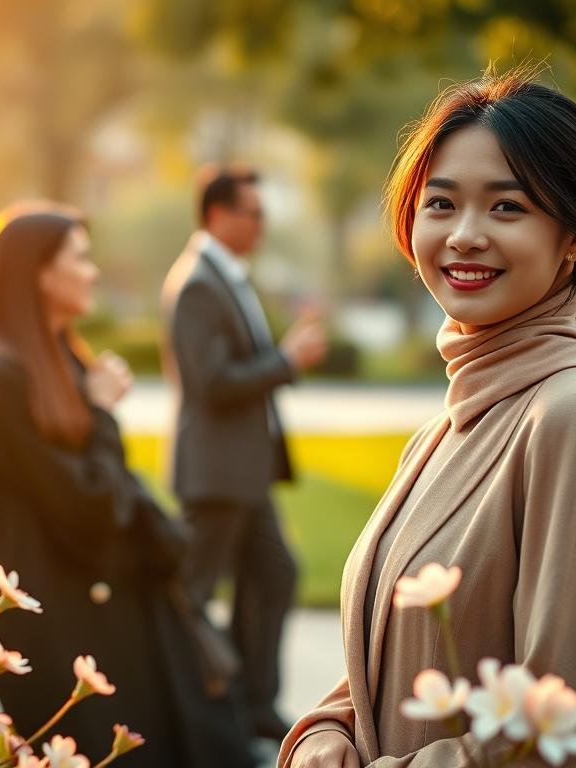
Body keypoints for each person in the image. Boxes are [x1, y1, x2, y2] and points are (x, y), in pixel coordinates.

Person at [280, 70, 576, 767]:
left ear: (574, 236)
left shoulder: (573, 417)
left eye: (507, 209)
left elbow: (565, 727)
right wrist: (327, 734)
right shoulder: (443, 428)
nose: (464, 236)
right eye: (441, 204)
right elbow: (389, 663)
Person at [0, 202, 254, 768]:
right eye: (81, 259)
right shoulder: (6, 380)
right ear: (38, 273)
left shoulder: (60, 361)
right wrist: (103, 415)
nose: (93, 272)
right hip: (59, 635)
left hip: (102, 612)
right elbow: (89, 508)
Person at [160, 165, 328, 742]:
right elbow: (211, 383)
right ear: (217, 214)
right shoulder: (198, 283)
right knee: (190, 595)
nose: (263, 223)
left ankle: (253, 705)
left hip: (243, 473)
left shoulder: (226, 275)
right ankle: (186, 708)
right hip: (215, 473)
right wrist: (287, 361)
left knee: (275, 575)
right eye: (253, 212)